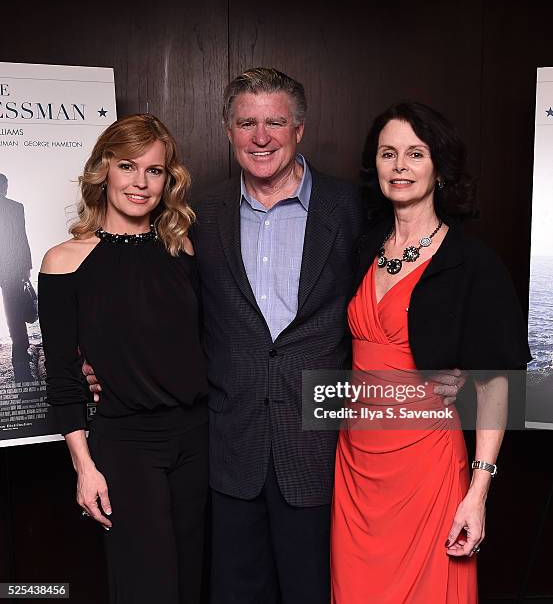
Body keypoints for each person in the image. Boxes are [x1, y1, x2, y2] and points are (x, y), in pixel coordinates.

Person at [85, 71, 464, 603]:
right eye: (246, 122)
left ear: (299, 129)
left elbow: (412, 281)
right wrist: (101, 363)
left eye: (274, 122)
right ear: (228, 129)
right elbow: (160, 309)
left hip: (324, 449)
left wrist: (446, 368)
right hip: (227, 448)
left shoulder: (356, 209)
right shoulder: (198, 217)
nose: (260, 136)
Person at [331, 102, 532, 603]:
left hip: (426, 467)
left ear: (438, 167)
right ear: (374, 166)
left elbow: (495, 384)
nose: (400, 166)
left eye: (415, 154)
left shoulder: (473, 265)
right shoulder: (362, 248)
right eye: (388, 153)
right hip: (356, 468)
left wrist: (477, 493)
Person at [38, 114, 208, 604]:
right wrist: (84, 467)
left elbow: (194, 346)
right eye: (128, 166)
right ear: (103, 171)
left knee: (191, 580)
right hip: (128, 446)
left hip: (196, 439)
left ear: (167, 181)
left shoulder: (183, 249)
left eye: (154, 171)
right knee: (146, 587)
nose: (140, 182)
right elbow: (64, 377)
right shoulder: (65, 260)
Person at [0, 173, 33, 382]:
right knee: (15, 317)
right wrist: (26, 266)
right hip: (11, 267)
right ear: (4, 187)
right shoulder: (16, 207)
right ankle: (20, 358)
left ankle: (20, 355)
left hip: (9, 266)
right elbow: (22, 236)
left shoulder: (15, 207)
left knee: (15, 315)